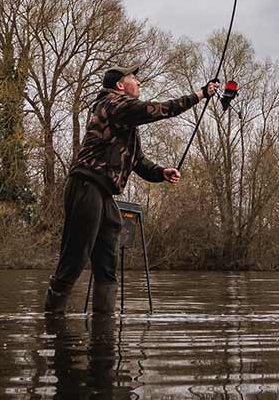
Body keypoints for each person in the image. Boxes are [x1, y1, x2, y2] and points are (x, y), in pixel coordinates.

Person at [44, 64, 219, 314]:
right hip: (86, 185)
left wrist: (161, 172)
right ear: (119, 86)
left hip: (102, 192)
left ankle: (103, 329)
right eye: (133, 78)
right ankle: (52, 322)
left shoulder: (125, 119)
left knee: (106, 262)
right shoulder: (112, 104)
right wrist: (200, 94)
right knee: (75, 258)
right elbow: (160, 109)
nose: (138, 82)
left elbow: (138, 161)